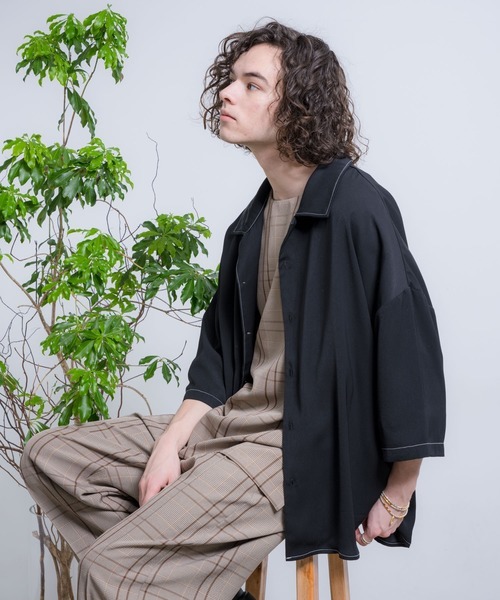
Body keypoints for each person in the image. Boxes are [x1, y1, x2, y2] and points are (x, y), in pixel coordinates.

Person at [21, 20, 446, 600]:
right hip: (229, 426)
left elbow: (409, 355)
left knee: (110, 570)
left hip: (297, 448)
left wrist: (397, 495)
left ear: (297, 105)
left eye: (252, 84)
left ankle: (144, 575)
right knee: (50, 456)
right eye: (231, 79)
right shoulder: (251, 223)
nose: (226, 92)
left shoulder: (356, 206)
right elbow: (217, 360)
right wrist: (169, 444)